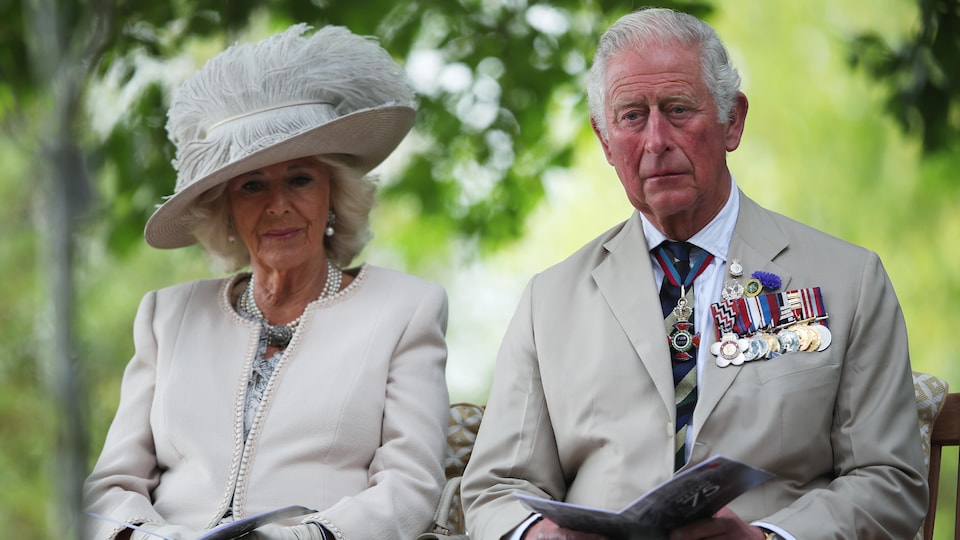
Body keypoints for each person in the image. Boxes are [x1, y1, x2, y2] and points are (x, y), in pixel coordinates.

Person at [461, 7, 927, 540]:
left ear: (734, 120)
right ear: (604, 139)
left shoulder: (850, 281)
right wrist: (537, 534)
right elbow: (496, 488)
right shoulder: (550, 301)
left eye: (679, 109)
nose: (656, 139)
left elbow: (890, 480)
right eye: (631, 116)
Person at [83, 24, 450, 540]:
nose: (278, 204)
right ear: (227, 211)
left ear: (332, 196)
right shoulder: (167, 316)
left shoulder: (405, 309)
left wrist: (302, 537)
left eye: (300, 179)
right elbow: (110, 487)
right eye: (253, 186)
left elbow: (411, 488)